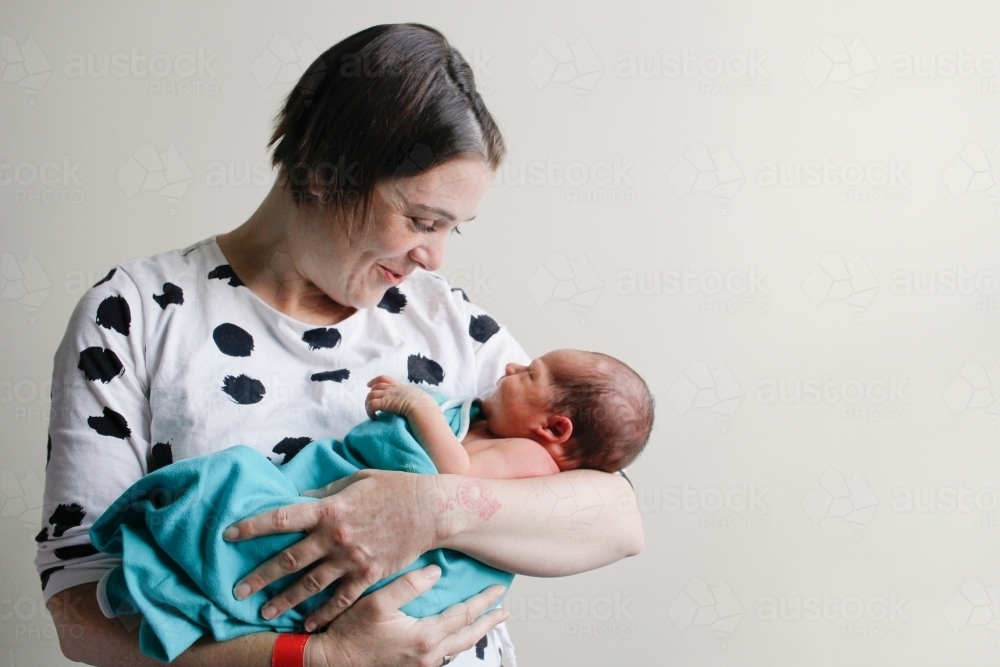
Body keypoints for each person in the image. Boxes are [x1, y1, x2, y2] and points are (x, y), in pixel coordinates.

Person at [38, 23, 644, 667]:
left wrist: (428, 509)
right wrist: (320, 659)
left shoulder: (448, 318)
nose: (432, 255)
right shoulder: (137, 314)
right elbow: (80, 611)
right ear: (328, 172)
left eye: (450, 230)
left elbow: (614, 520)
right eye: (419, 220)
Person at [364, 349, 655, 478]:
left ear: (553, 429)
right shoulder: (498, 428)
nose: (511, 367)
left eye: (530, 374)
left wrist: (418, 407)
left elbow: (457, 477)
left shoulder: (531, 458)